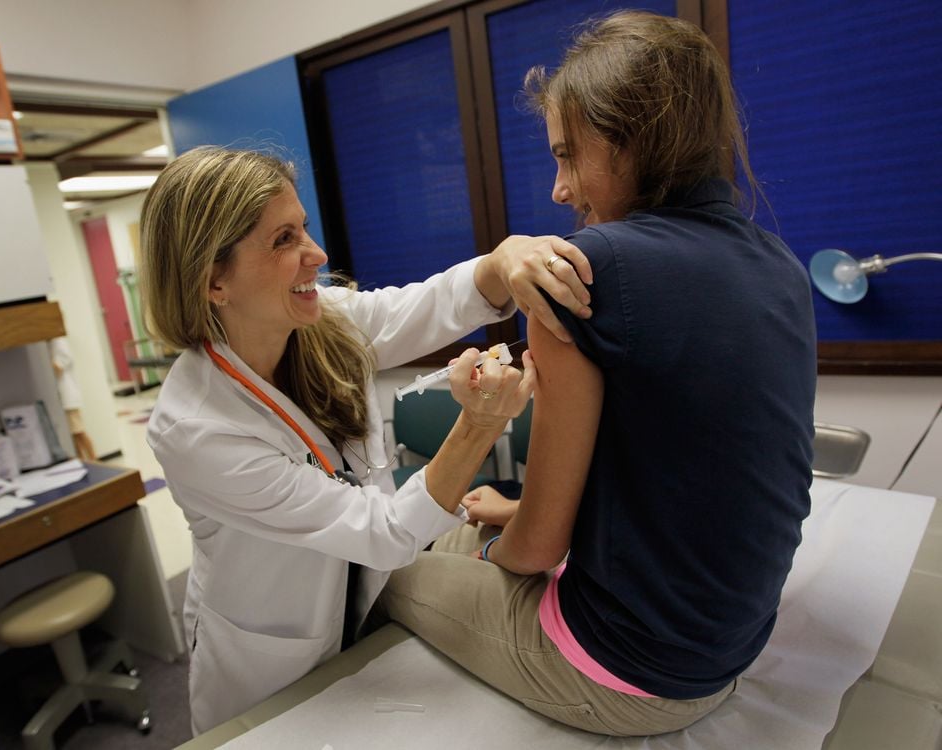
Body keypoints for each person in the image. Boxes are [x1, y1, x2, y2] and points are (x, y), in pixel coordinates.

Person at [379, 10, 817, 737]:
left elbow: (539, 552)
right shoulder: (780, 267)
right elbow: (679, 480)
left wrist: (502, 547)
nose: (559, 189)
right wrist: (513, 517)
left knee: (387, 569)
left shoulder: (584, 272)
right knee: (471, 522)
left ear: (629, 140)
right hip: (729, 645)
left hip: (627, 676)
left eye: (567, 156)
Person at [139, 145, 593, 734]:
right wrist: (478, 424)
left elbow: (422, 307)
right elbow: (385, 533)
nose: (316, 254)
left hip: (364, 602)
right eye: (282, 240)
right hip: (270, 656)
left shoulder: (319, 323)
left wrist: (503, 259)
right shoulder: (196, 428)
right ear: (213, 281)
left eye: (304, 228)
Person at [49, 336, 96, 461]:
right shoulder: (51, 342)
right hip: (64, 397)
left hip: (68, 396)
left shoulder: (57, 340)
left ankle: (94, 459)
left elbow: (62, 362)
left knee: (79, 432)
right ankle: (82, 460)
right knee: (74, 435)